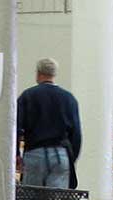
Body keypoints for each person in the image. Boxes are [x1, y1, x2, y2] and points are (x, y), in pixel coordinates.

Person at [17, 58, 81, 190]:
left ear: (38, 73)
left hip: (34, 154)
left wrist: (17, 154)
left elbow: (16, 129)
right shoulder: (69, 98)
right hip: (60, 155)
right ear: (54, 74)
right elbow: (76, 134)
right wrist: (70, 157)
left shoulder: (27, 96)